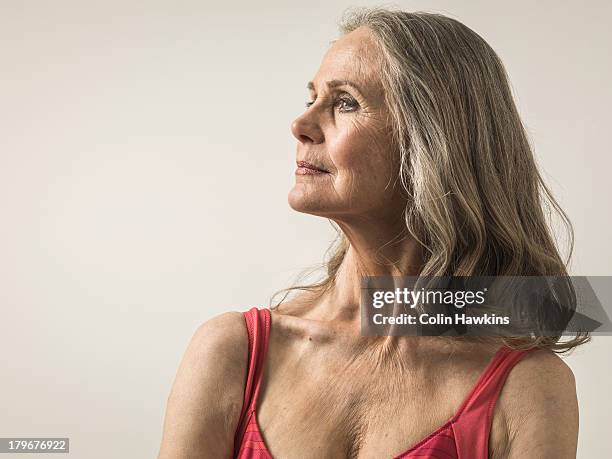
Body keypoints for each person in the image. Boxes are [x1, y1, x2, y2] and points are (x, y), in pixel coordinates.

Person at [157, 7, 586, 459]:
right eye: (312, 99)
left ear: (434, 141)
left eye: (345, 102)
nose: (301, 126)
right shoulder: (231, 351)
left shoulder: (529, 388)